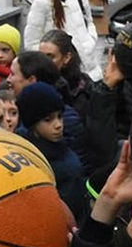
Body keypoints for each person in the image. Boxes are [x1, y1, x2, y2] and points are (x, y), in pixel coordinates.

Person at [17, 81, 87, 221]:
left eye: (60, 116)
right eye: (48, 120)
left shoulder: (65, 150)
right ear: (32, 124)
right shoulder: (24, 153)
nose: (58, 125)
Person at [23, 0, 99, 67]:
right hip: (61, 69)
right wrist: (51, 58)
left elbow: (89, 20)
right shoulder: (41, 2)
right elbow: (31, 42)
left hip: (89, 63)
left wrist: (90, 41)